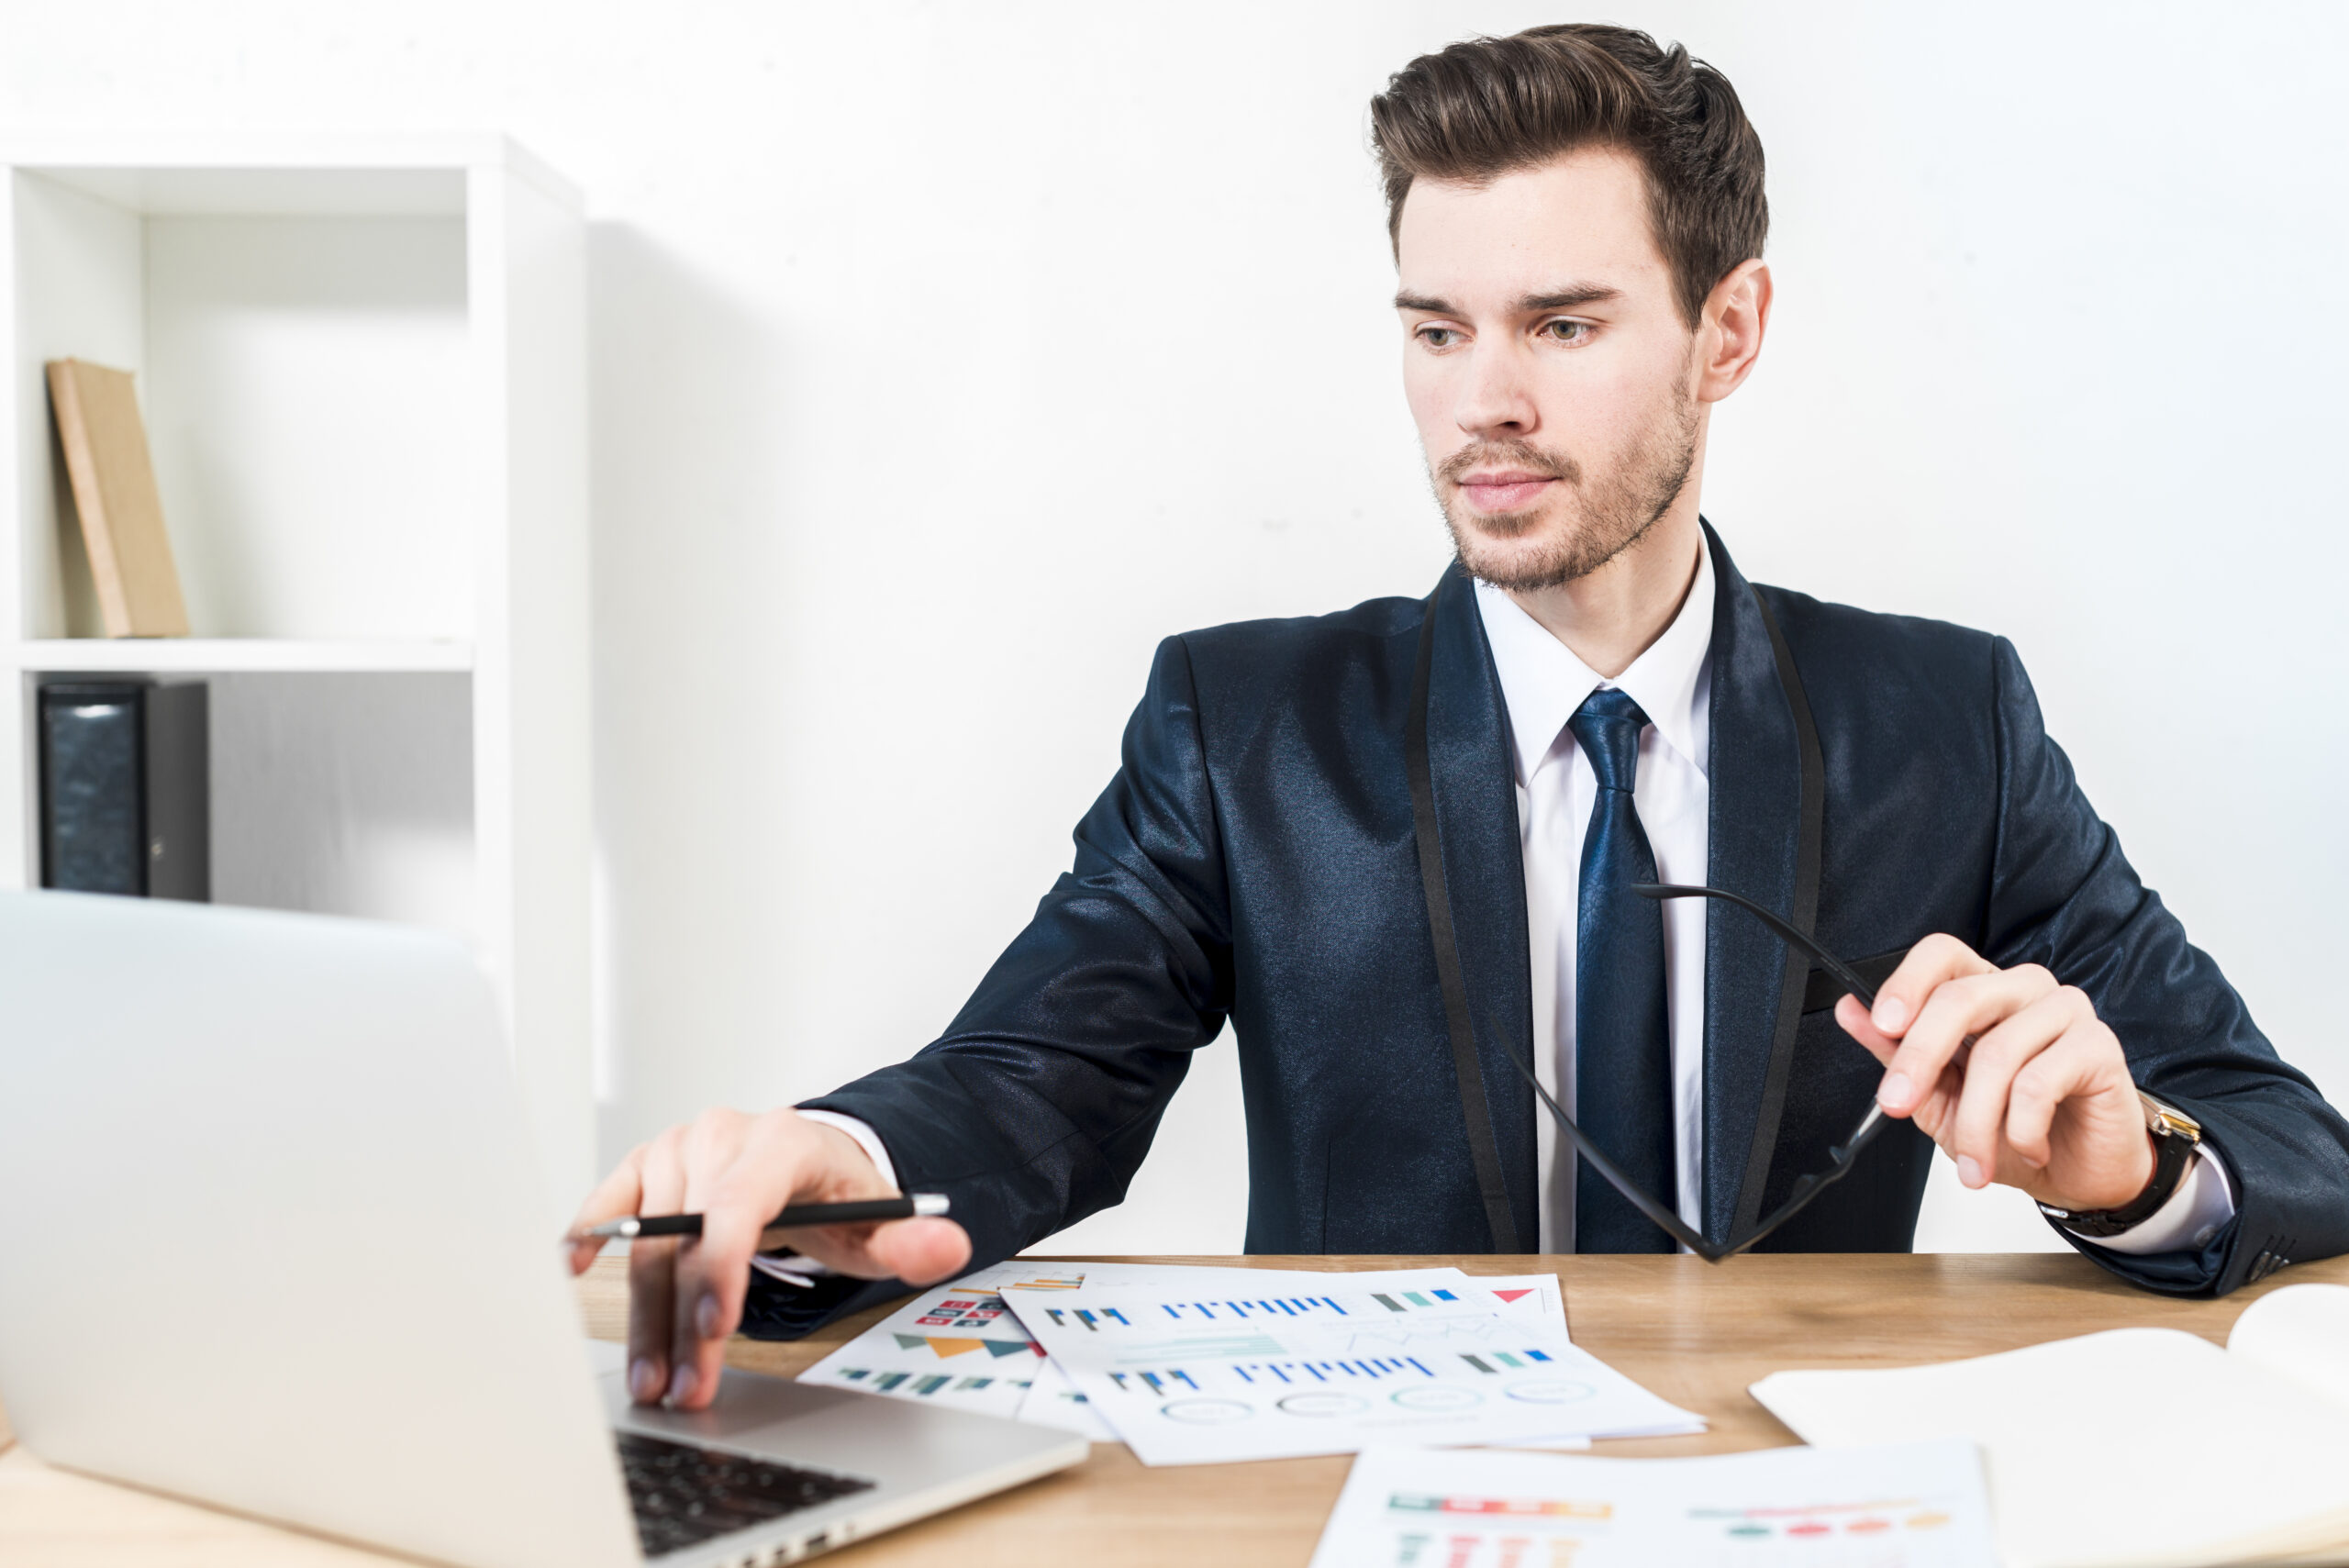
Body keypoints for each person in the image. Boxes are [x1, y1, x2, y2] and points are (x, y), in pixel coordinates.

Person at [570, 23, 2349, 1412]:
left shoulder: (1938, 722)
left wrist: (2127, 1171)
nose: (1479, 404)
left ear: (1724, 333)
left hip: (1789, 1503)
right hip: (1367, 1504)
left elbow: (2287, 1153)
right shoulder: (1238, 726)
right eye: (1434, 330)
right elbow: (1032, 1083)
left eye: (1561, 325)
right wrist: (838, 1155)